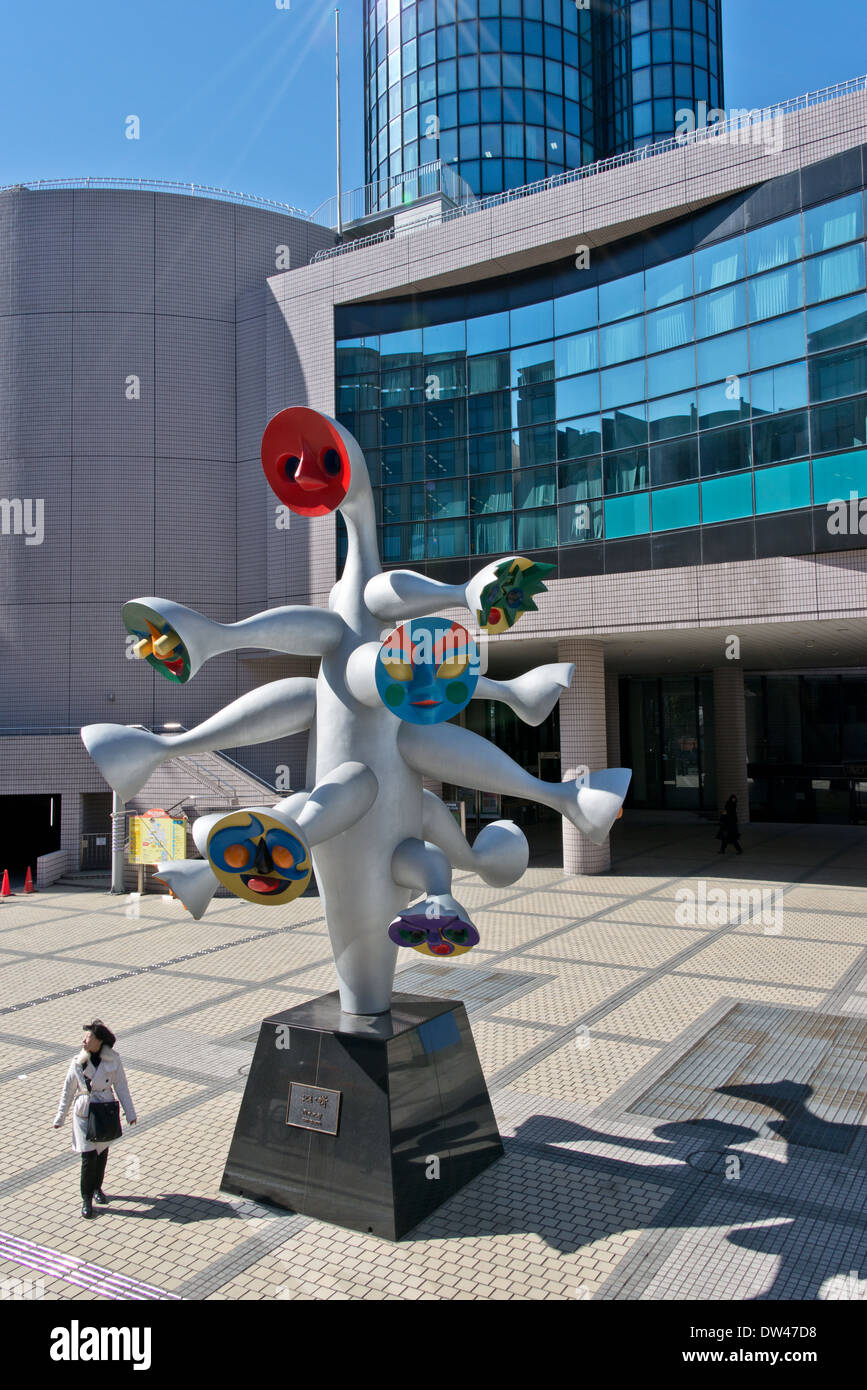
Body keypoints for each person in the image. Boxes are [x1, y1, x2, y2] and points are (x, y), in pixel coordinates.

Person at [53, 1020, 137, 1219]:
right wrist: (60, 1117)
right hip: (84, 1112)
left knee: (101, 1153)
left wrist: (130, 1113)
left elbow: (121, 1086)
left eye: (88, 1037)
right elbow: (68, 1090)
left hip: (105, 1110)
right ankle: (86, 1199)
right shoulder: (78, 1062)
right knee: (88, 1157)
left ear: (99, 1041)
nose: (83, 1040)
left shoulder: (113, 1060)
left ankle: (98, 1188)